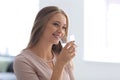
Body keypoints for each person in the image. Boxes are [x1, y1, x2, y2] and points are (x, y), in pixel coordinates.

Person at [13, 6, 77, 80]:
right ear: (41, 25)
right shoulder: (23, 61)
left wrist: (62, 61)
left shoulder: (61, 54)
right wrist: (60, 64)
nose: (60, 31)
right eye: (56, 24)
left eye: (63, 27)